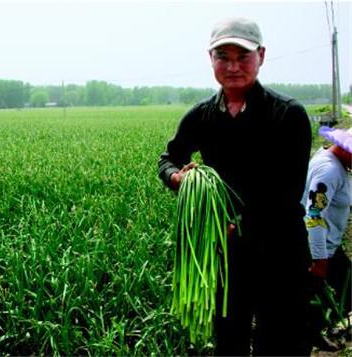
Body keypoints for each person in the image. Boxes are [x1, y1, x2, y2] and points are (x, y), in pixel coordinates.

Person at [157, 18, 313, 355]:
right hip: (227, 258)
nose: (232, 67)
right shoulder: (201, 116)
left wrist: (232, 224)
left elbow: (286, 193)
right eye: (222, 56)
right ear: (210, 59)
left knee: (282, 340)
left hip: (279, 249)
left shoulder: (288, 115)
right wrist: (177, 178)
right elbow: (169, 158)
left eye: (242, 56)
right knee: (230, 340)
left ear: (261, 55)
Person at [302, 126, 351, 349]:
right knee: (311, 295)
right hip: (319, 248)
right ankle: (312, 333)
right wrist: (319, 259)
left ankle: (318, 329)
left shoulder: (331, 159)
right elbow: (313, 215)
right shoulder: (329, 171)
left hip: (330, 243)